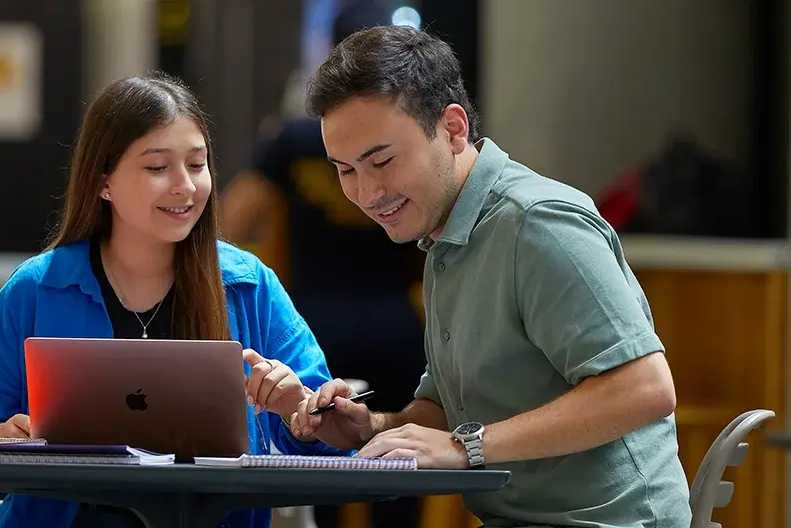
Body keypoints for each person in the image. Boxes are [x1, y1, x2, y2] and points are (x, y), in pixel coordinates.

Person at [289, 25, 692, 528]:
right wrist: (373, 426)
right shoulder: (445, 232)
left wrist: (467, 447)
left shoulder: (537, 222)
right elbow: (448, 413)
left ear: (453, 129)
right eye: (345, 170)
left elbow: (645, 388)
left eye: (383, 161)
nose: (367, 193)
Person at [0, 72, 346, 528]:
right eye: (158, 168)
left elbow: (335, 435)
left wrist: (300, 408)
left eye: (197, 165)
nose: (185, 187)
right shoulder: (36, 288)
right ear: (103, 182)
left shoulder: (250, 286)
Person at [219, 7, 425, 527]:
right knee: (403, 466)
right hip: (395, 322)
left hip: (317, 323)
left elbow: (231, 222)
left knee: (324, 469)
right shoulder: (409, 138)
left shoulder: (293, 141)